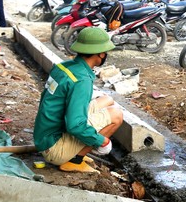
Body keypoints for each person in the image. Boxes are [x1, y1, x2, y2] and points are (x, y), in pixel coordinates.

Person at [33, 27, 124, 173]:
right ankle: (75, 160)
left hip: (44, 135)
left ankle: (75, 152)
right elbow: (75, 125)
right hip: (53, 148)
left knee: (107, 100)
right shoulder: (81, 80)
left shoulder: (65, 67)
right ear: (100, 54)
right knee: (116, 115)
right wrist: (103, 141)